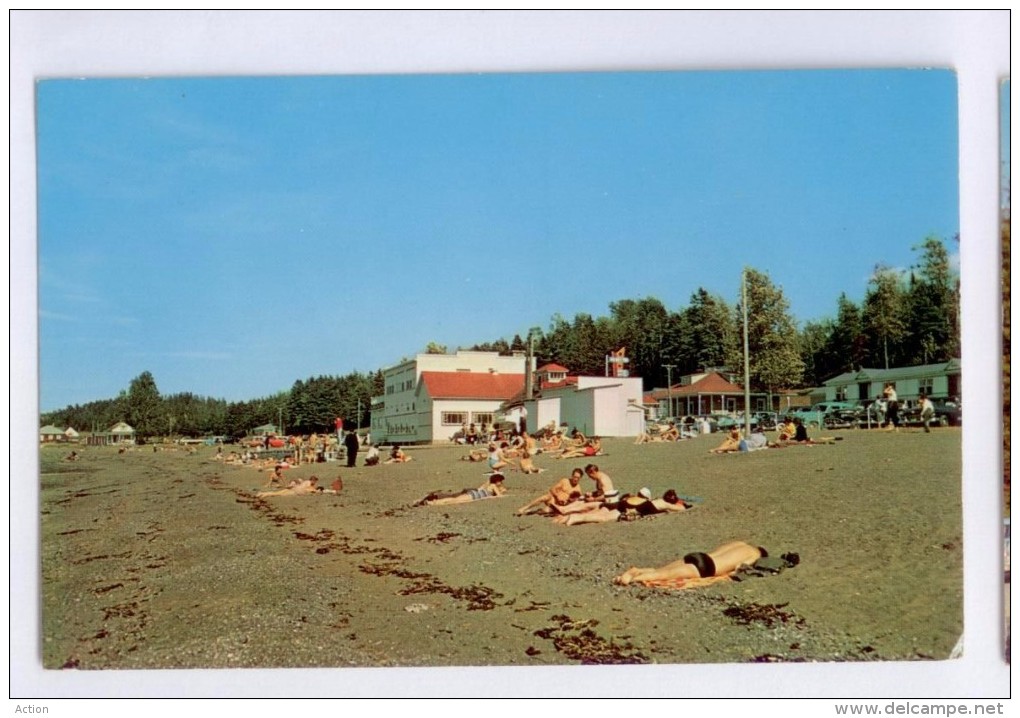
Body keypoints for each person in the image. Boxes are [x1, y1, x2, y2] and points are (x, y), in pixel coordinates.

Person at [613, 541, 766, 586]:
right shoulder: (754, 554)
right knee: (661, 575)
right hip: (707, 567)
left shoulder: (740, 543)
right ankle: (631, 579)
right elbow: (740, 568)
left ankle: (637, 570)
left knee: (662, 570)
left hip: (699, 555)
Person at [553, 489, 691, 526]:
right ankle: (574, 518)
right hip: (635, 509)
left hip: (625, 504)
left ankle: (573, 517)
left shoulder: (653, 499)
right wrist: (681, 503)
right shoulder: (663, 503)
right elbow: (682, 509)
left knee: (601, 515)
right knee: (602, 518)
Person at [515, 468, 584, 516]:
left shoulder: (578, 489)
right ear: (572, 476)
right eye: (574, 477)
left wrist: (566, 502)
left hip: (558, 505)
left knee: (545, 511)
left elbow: (575, 503)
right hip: (553, 498)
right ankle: (525, 508)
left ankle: (531, 511)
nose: (575, 479)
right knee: (545, 497)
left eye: (577, 478)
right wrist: (557, 496)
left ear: (580, 478)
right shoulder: (565, 481)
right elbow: (552, 489)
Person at [416, 473, 508, 506]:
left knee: (453, 500)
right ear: (497, 481)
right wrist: (504, 493)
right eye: (500, 481)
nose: (501, 483)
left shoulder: (488, 485)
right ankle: (431, 503)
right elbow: (499, 496)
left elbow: (483, 487)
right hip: (473, 496)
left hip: (472, 494)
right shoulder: (493, 486)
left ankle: (432, 502)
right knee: (454, 501)